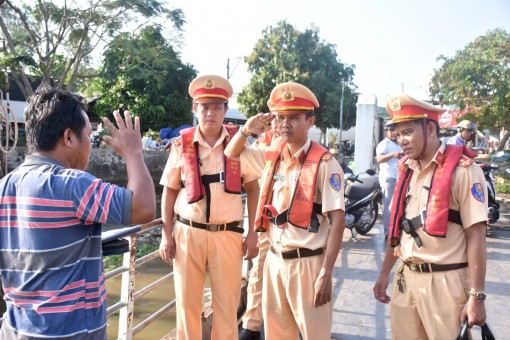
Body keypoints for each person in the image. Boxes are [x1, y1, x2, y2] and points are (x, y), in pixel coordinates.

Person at [0, 86, 156, 339]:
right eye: (89, 135)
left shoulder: (4, 186)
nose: (90, 146)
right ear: (69, 137)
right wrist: (133, 152)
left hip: (15, 330)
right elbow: (143, 207)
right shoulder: (72, 184)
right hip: (70, 333)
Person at [225, 81, 346, 339]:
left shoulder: (326, 164)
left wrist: (326, 273)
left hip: (309, 263)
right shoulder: (272, 157)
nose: (285, 125)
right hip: (275, 260)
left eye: (294, 118)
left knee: (315, 334)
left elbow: (338, 219)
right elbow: (231, 152)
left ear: (310, 121)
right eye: (280, 118)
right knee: (277, 334)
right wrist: (247, 129)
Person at [373, 93, 488, 339]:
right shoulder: (406, 171)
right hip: (406, 279)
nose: (401, 140)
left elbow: (477, 235)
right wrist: (384, 273)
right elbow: (398, 231)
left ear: (431, 129)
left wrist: (477, 296)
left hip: (446, 284)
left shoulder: (464, 172)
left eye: (407, 132)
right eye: (397, 134)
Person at [158, 75, 260, 339]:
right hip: (187, 234)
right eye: (205, 107)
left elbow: (253, 188)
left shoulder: (239, 144)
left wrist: (252, 233)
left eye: (217, 107)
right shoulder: (182, 145)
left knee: (226, 306)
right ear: (195, 109)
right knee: (187, 305)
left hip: (228, 235)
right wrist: (165, 234)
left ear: (225, 110)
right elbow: (169, 191)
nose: (211, 113)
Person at [239, 104, 282, 340]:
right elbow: (239, 158)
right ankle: (252, 325)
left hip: (293, 224)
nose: (279, 124)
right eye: (275, 118)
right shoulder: (261, 145)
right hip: (265, 221)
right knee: (257, 274)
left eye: (285, 118)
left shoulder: (299, 146)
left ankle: (290, 325)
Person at [375, 121, 404, 239]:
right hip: (389, 178)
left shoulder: (400, 143)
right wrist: (392, 155)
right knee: (388, 207)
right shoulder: (384, 144)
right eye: (391, 131)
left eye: (395, 131)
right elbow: (379, 159)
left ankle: (397, 229)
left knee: (399, 206)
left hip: (400, 177)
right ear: (386, 132)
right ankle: (388, 232)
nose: (393, 133)